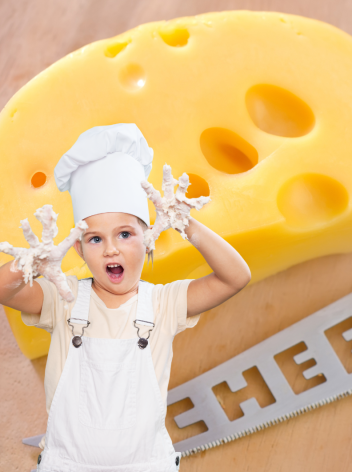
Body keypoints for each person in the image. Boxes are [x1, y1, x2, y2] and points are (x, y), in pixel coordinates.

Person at [0, 123, 251, 472]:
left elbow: (236, 277)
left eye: (125, 234)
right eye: (95, 239)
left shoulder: (164, 304)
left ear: (148, 238)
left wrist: (186, 224)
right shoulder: (64, 299)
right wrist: (30, 263)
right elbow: (2, 290)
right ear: (78, 249)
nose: (111, 249)